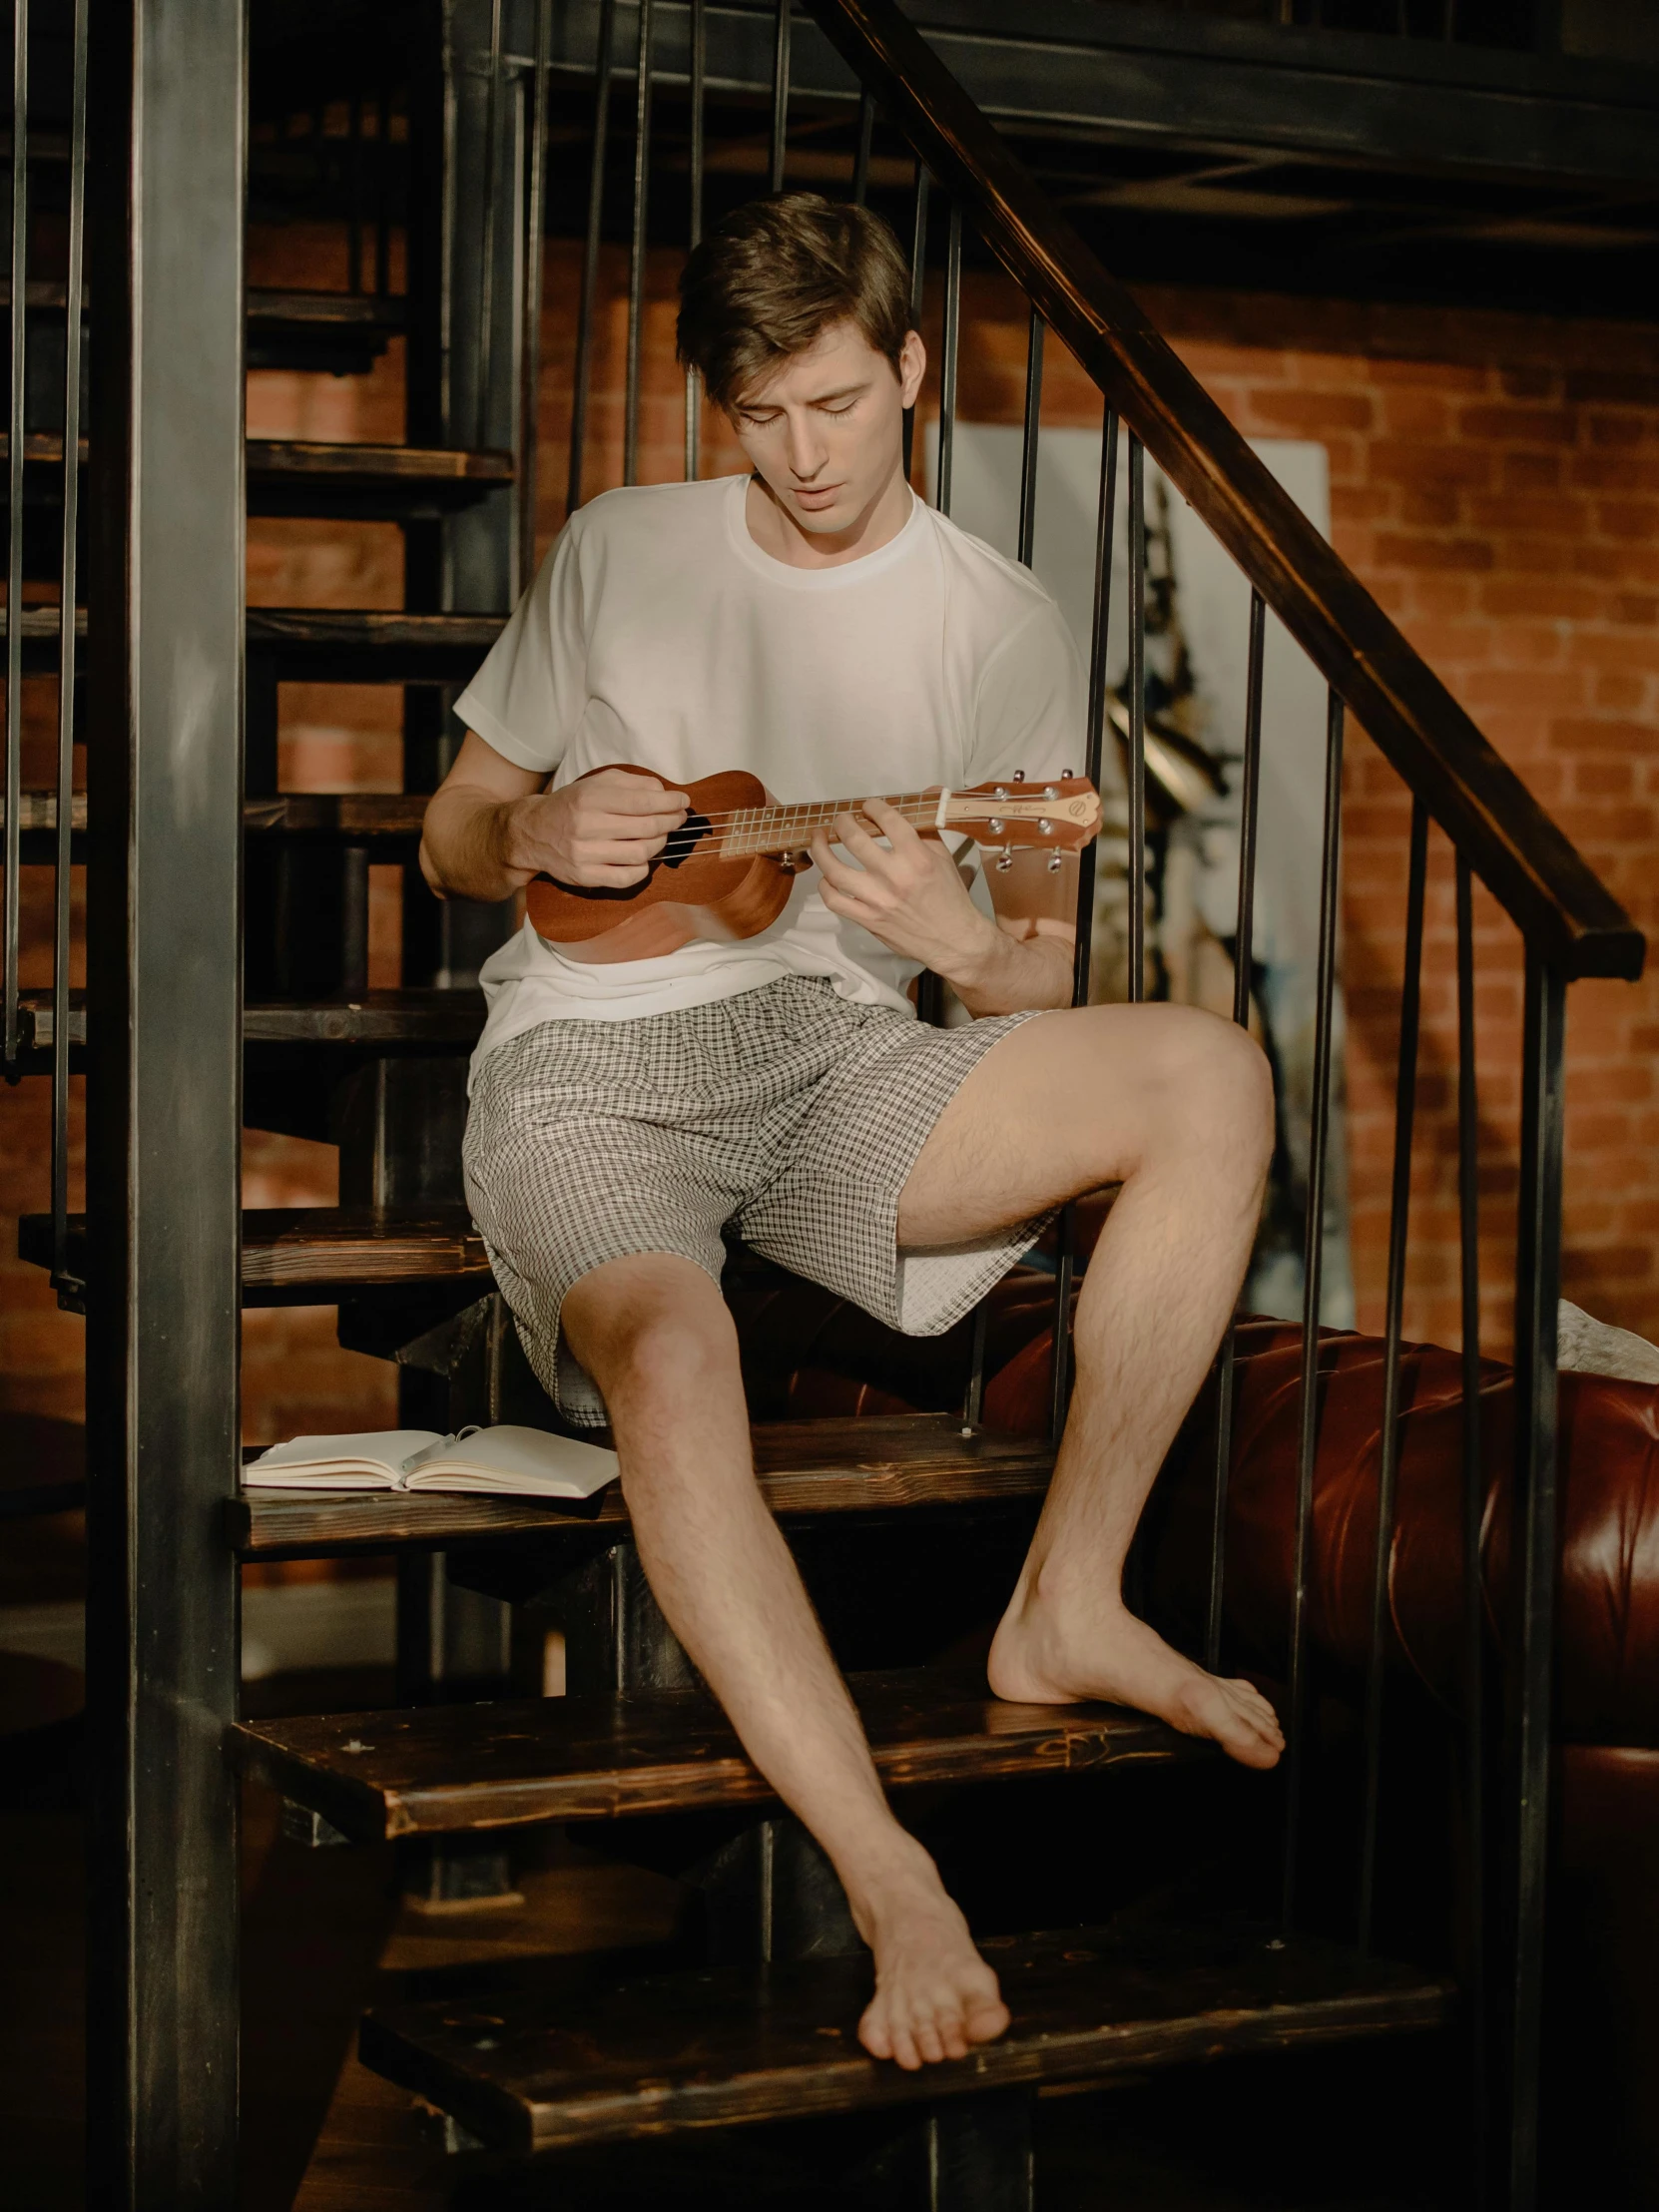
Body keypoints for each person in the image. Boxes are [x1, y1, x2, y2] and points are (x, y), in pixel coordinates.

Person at [419, 192, 1282, 2075]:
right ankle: (889, 1872)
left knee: (1209, 1075)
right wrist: (529, 838)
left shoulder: (999, 622)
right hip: (588, 1067)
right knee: (673, 1355)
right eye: (756, 417)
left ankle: (1065, 1599)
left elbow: (1035, 976)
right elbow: (453, 825)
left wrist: (962, 937)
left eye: (832, 403)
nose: (800, 458)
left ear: (904, 370)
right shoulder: (618, 551)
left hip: (831, 1061)